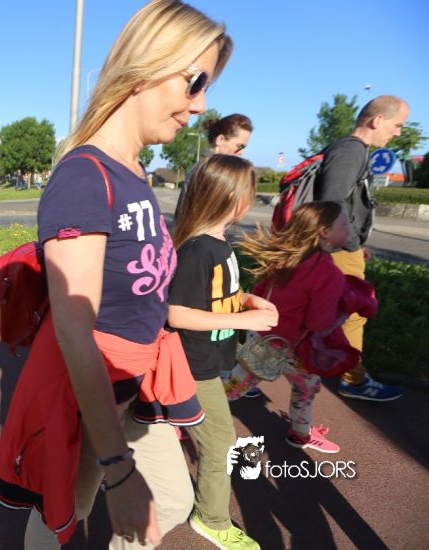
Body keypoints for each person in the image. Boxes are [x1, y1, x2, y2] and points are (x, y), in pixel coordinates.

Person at [0, 2, 232, 547]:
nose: (201, 105)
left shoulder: (135, 172)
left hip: (135, 385)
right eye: (195, 81)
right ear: (147, 66)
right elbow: (75, 332)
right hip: (92, 397)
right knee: (64, 514)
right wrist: (120, 470)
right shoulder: (85, 176)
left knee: (169, 499)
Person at [167, 154, 276, 549]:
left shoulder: (218, 243)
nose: (252, 199)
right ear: (231, 198)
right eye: (249, 192)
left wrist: (248, 301)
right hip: (194, 366)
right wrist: (245, 319)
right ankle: (211, 518)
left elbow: (220, 293)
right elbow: (177, 313)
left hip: (208, 361)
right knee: (220, 442)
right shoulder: (199, 250)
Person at [227, 201, 375, 454]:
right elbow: (318, 323)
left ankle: (301, 431)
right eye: (344, 224)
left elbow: (261, 290)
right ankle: (185, 412)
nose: (349, 229)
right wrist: (342, 306)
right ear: (325, 232)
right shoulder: (327, 272)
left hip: (265, 334)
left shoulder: (288, 256)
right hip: (290, 346)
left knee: (293, 383)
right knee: (249, 386)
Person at [312, 95, 408, 402]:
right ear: (377, 120)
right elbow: (332, 202)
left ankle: (268, 367)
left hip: (341, 246)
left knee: (322, 311)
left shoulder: (350, 150)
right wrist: (351, 242)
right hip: (339, 249)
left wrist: (355, 243)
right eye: (397, 125)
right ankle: (353, 380)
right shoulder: (351, 150)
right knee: (354, 313)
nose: (398, 133)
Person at [173, 114, 252, 224]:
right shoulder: (207, 172)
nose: (241, 152)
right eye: (239, 146)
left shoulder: (206, 168)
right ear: (220, 140)